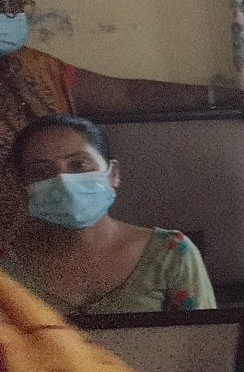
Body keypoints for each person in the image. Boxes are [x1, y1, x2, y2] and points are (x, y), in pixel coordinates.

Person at [0, 0, 244, 230]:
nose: (6, 16)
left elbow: (130, 95)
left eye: (10, 6)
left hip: (61, 228)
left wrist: (228, 98)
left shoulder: (38, 70)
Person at [0, 115, 215, 314]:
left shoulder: (172, 254)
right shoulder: (6, 267)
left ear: (113, 174)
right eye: (40, 172)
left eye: (79, 165)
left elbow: (204, 338)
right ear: (22, 187)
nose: (63, 181)